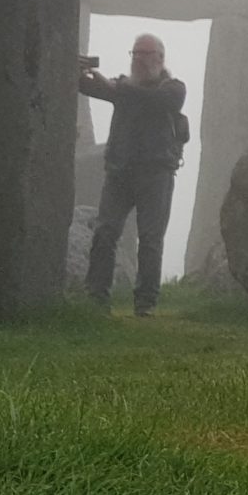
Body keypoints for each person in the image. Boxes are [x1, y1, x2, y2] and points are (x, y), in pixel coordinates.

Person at [78, 33, 188, 317]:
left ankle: (145, 304)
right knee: (104, 232)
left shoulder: (173, 89)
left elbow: (155, 100)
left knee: (150, 240)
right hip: (120, 172)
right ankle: (95, 298)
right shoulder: (124, 88)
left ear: (160, 58)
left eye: (145, 53)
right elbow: (90, 88)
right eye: (135, 53)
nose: (138, 59)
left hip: (157, 174)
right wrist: (78, 70)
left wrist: (115, 86)